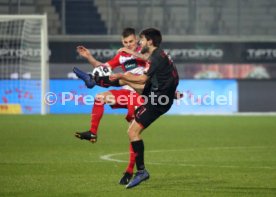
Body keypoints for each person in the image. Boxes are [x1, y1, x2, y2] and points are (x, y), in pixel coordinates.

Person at [73, 27, 147, 185]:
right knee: (99, 98)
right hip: (127, 92)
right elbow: (104, 67)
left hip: (141, 95)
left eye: (131, 42)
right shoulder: (122, 55)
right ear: (122, 42)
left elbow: (153, 62)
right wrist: (89, 57)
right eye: (125, 42)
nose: (129, 45)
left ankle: (129, 171)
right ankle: (93, 132)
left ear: (137, 40)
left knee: (132, 133)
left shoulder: (145, 50)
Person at [110, 28, 179, 189]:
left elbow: (142, 79)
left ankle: (141, 171)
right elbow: (147, 58)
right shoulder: (160, 54)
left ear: (149, 41)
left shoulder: (156, 59)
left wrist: (121, 74)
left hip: (158, 100)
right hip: (160, 94)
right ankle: (95, 81)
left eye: (141, 39)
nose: (140, 42)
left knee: (132, 132)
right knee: (127, 82)